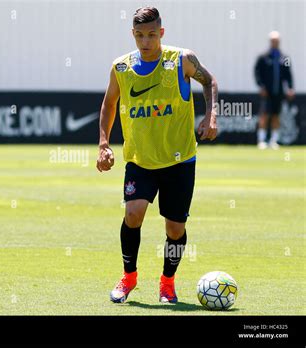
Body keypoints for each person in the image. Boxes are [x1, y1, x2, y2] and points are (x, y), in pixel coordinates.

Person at [96, 6, 218, 304]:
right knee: (133, 214)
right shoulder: (121, 68)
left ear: (161, 32)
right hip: (140, 160)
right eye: (139, 35)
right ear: (132, 34)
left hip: (179, 161)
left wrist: (211, 115)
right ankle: (129, 277)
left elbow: (209, 81)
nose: (145, 41)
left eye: (151, 35)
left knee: (175, 229)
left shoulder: (181, 60)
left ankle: (167, 282)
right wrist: (103, 143)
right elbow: (109, 104)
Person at [254, 31, 294, 149]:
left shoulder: (284, 58)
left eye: (276, 41)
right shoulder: (263, 57)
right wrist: (261, 86)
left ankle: (274, 140)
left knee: (276, 115)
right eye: (273, 41)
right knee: (264, 115)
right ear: (270, 42)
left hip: (279, 92)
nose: (274, 43)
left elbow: (288, 75)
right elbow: (257, 73)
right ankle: (261, 140)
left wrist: (290, 88)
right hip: (267, 92)